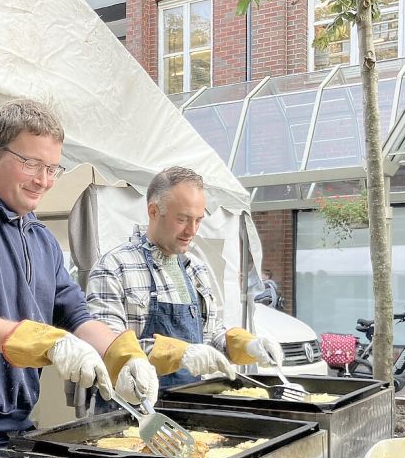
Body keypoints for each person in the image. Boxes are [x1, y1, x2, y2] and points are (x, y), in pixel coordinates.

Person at [0, 99, 158, 456]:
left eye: (53, 168)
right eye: (31, 164)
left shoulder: (42, 240)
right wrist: (45, 342)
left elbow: (76, 316)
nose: (44, 181)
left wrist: (123, 355)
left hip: (19, 431)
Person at [85, 166, 284, 413]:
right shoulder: (113, 268)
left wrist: (247, 346)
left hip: (190, 412)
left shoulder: (195, 269)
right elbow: (108, 349)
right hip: (130, 416)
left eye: (198, 220)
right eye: (182, 219)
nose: (192, 231)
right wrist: (181, 354)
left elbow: (210, 337)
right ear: (153, 211)